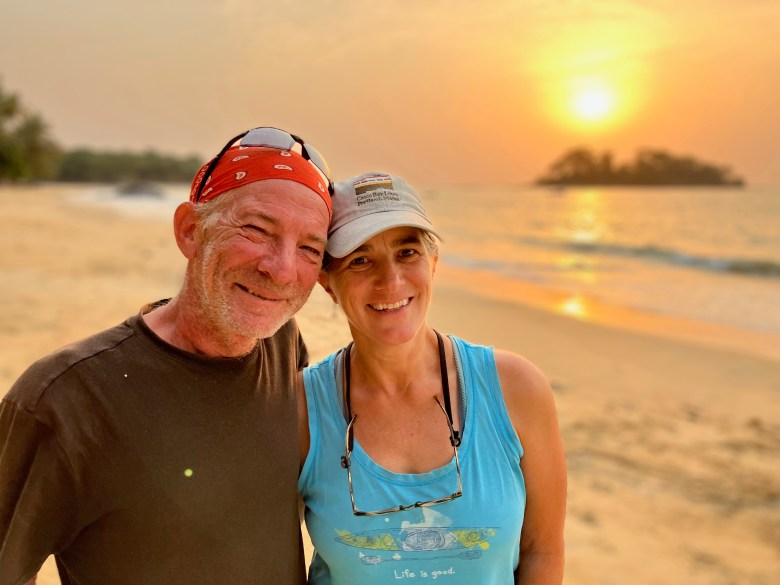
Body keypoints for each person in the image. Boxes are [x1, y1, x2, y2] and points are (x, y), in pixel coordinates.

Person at [0, 127, 333, 585]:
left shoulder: (282, 346)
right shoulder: (63, 399)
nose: (280, 268)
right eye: (256, 229)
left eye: (309, 249)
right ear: (190, 231)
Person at [298, 172, 567, 584]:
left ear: (433, 263)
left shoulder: (517, 388)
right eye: (360, 259)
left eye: (407, 252)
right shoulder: (299, 408)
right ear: (327, 284)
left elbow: (542, 551)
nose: (391, 280)